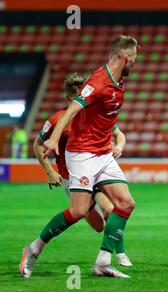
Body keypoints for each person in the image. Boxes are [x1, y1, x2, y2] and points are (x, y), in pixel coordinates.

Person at [20, 35, 139, 278]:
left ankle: (103, 262)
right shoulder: (98, 82)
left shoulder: (118, 82)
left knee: (126, 203)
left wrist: (117, 141)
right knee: (78, 211)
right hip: (82, 154)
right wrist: (53, 140)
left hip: (103, 153)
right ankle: (33, 249)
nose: (134, 64)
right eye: (133, 59)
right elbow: (73, 108)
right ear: (124, 57)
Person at [32, 72, 132, 267]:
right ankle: (36, 246)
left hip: (96, 171)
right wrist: (50, 171)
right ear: (71, 96)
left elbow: (119, 135)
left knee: (114, 208)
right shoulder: (57, 119)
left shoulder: (94, 115)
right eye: (82, 92)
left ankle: (119, 254)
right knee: (95, 225)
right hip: (73, 176)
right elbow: (37, 145)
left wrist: (119, 146)